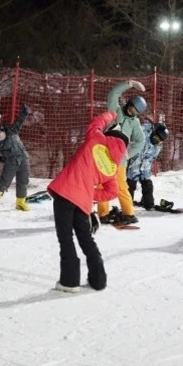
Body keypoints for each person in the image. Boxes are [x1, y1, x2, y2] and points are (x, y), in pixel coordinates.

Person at [47, 110, 128, 293]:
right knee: (86, 239)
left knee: (66, 238)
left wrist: (113, 114)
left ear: (109, 134)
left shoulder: (96, 139)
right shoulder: (113, 168)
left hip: (65, 192)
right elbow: (112, 192)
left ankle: (69, 282)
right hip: (82, 202)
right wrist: (89, 194)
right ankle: (98, 280)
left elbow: (96, 122)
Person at [96, 79, 146, 225]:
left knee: (121, 186)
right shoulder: (116, 111)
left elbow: (140, 141)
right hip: (104, 155)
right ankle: (103, 214)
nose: (131, 113)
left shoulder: (134, 122)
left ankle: (129, 213)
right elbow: (113, 94)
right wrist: (129, 84)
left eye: (135, 112)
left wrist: (128, 153)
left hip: (120, 159)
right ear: (128, 104)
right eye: (131, 109)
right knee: (101, 184)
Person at [0, 103, 31, 212]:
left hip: (23, 158)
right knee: (5, 182)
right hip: (11, 161)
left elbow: (19, 122)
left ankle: (20, 202)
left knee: (23, 180)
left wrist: (24, 112)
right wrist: (2, 159)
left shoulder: (11, 130)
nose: (0, 132)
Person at [127, 122, 170, 210]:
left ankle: (149, 204)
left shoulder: (157, 147)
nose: (156, 140)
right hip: (134, 165)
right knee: (130, 185)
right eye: (156, 137)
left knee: (148, 185)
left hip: (145, 168)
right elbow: (139, 128)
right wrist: (152, 126)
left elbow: (152, 158)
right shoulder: (144, 135)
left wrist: (147, 168)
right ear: (154, 132)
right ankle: (127, 205)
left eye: (159, 140)